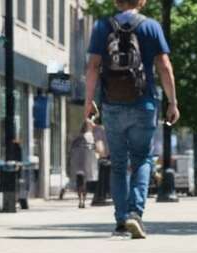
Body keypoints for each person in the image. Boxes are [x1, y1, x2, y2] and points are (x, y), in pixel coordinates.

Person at [84, 0, 177, 240]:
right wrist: (172, 102)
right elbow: (164, 67)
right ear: (142, 1)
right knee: (142, 159)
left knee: (117, 163)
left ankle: (120, 220)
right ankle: (135, 213)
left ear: (116, 1)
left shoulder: (102, 27)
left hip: (111, 104)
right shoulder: (151, 27)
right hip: (144, 104)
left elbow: (93, 66)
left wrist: (89, 101)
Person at [67, 118, 101, 208]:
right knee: (84, 182)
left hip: (77, 163)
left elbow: (71, 150)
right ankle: (83, 200)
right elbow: (93, 148)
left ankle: (81, 200)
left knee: (79, 182)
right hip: (86, 163)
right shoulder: (90, 136)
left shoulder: (77, 137)